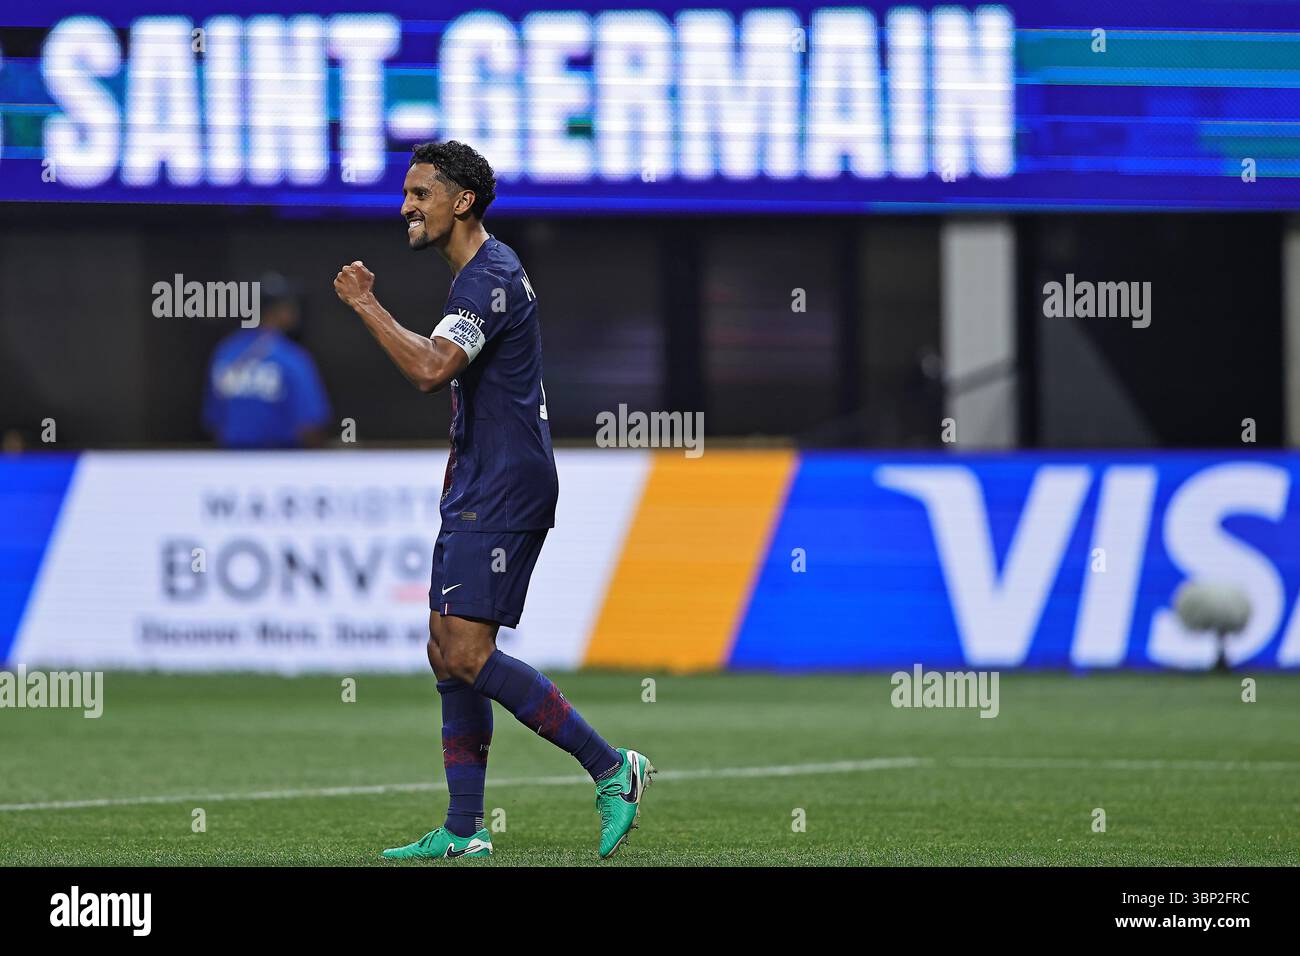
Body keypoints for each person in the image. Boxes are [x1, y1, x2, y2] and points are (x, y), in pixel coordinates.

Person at [332, 140, 654, 860]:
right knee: (446, 652)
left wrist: (365, 304)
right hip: (484, 477)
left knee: (469, 653)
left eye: (420, 193)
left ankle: (612, 768)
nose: (406, 206)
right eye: (406, 193)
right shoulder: (481, 275)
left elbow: (427, 368)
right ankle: (464, 830)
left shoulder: (488, 279)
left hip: (506, 484)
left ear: (462, 201)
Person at [203, 275, 331, 448]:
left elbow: (215, 421)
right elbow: (311, 425)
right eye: (289, 305)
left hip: (232, 463)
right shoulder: (290, 357)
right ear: (277, 311)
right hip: (280, 462)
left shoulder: (225, 351)